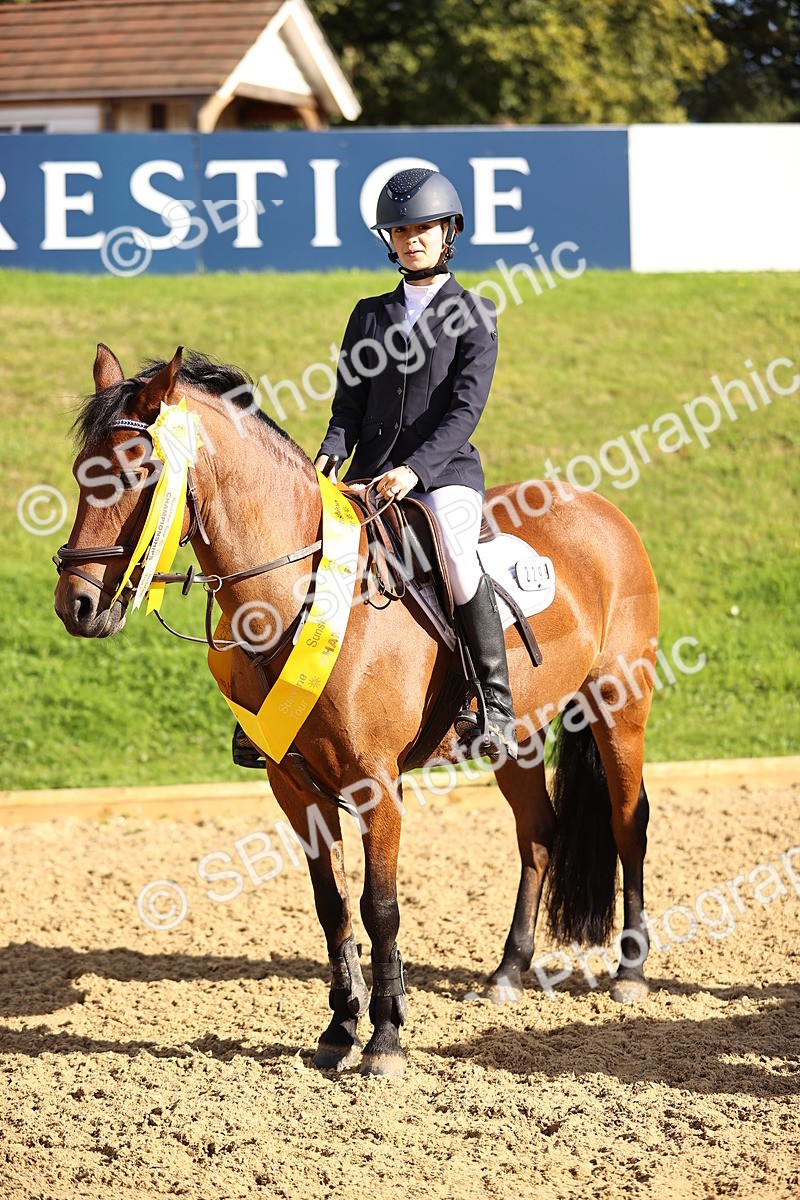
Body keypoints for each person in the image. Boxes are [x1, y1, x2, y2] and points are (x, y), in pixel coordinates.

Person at [314, 167, 517, 761]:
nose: (412, 239)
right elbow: (348, 403)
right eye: (400, 230)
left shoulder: (475, 314)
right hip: (368, 474)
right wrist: (330, 453)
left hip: (444, 476)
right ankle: (276, 706)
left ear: (449, 231)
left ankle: (494, 703)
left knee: (456, 554)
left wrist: (417, 471)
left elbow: (464, 412)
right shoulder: (368, 315)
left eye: (424, 227)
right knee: (310, 554)